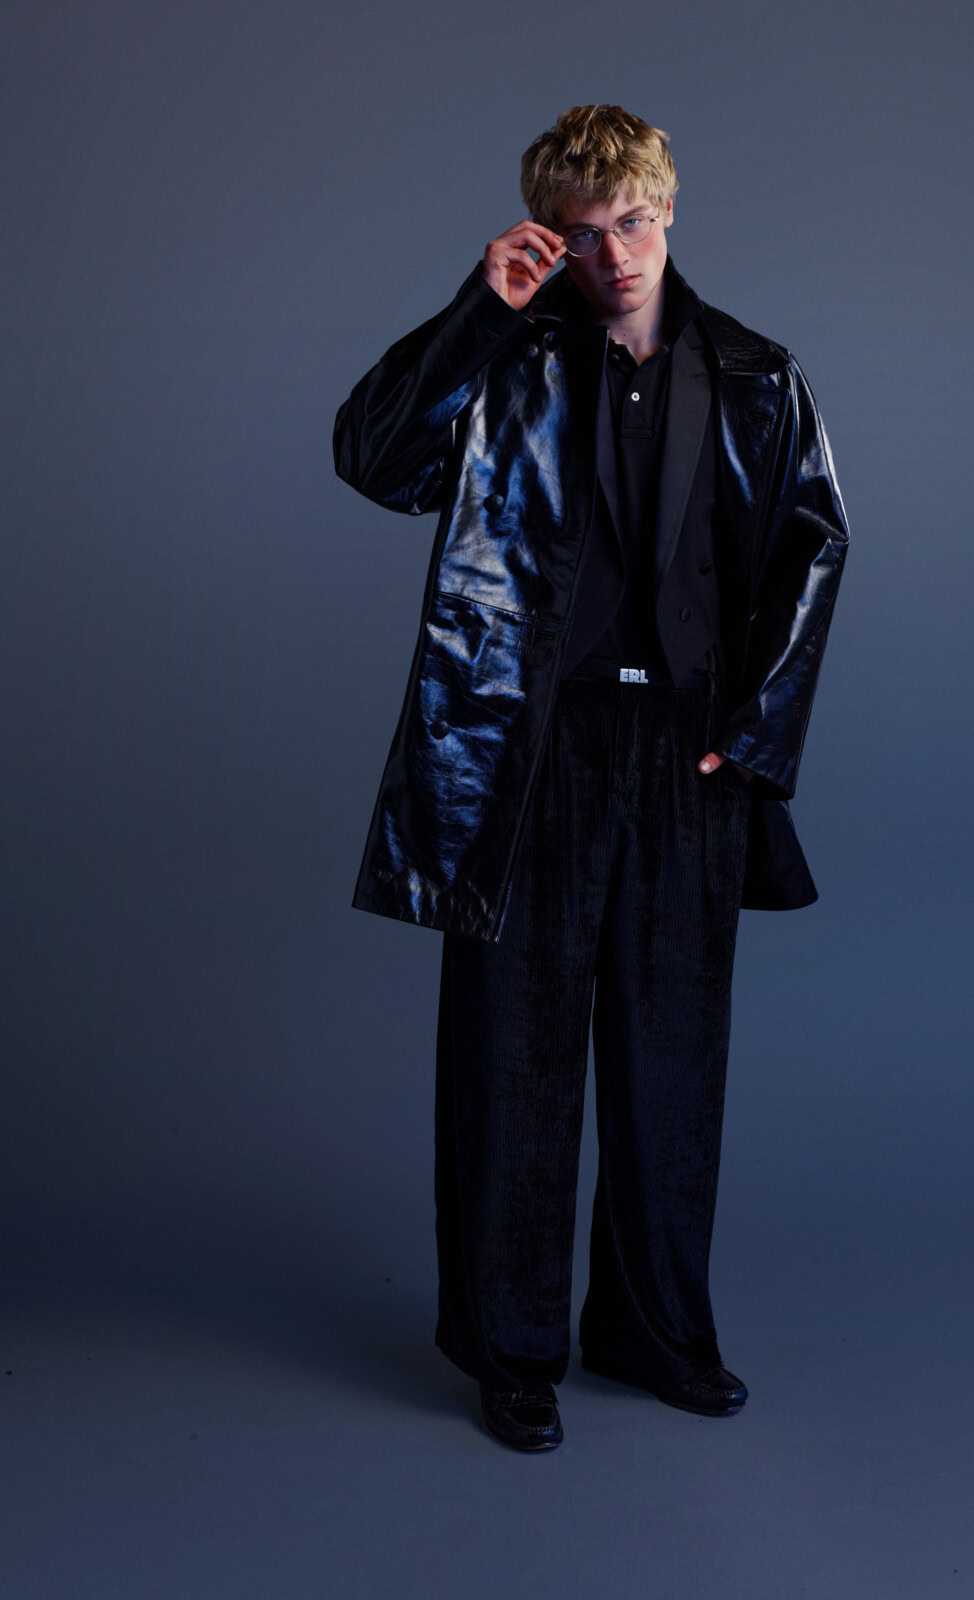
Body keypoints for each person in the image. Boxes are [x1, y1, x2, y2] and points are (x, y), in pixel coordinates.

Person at [333, 104, 850, 1452]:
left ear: (669, 213)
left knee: (672, 1064)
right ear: (545, 239)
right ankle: (512, 1350)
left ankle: (657, 1330)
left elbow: (814, 545)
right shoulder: (505, 355)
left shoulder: (757, 373)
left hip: (688, 757)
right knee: (513, 1060)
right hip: (529, 750)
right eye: (580, 234)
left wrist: (757, 731)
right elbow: (373, 458)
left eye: (632, 223)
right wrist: (478, 312)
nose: (613, 256)